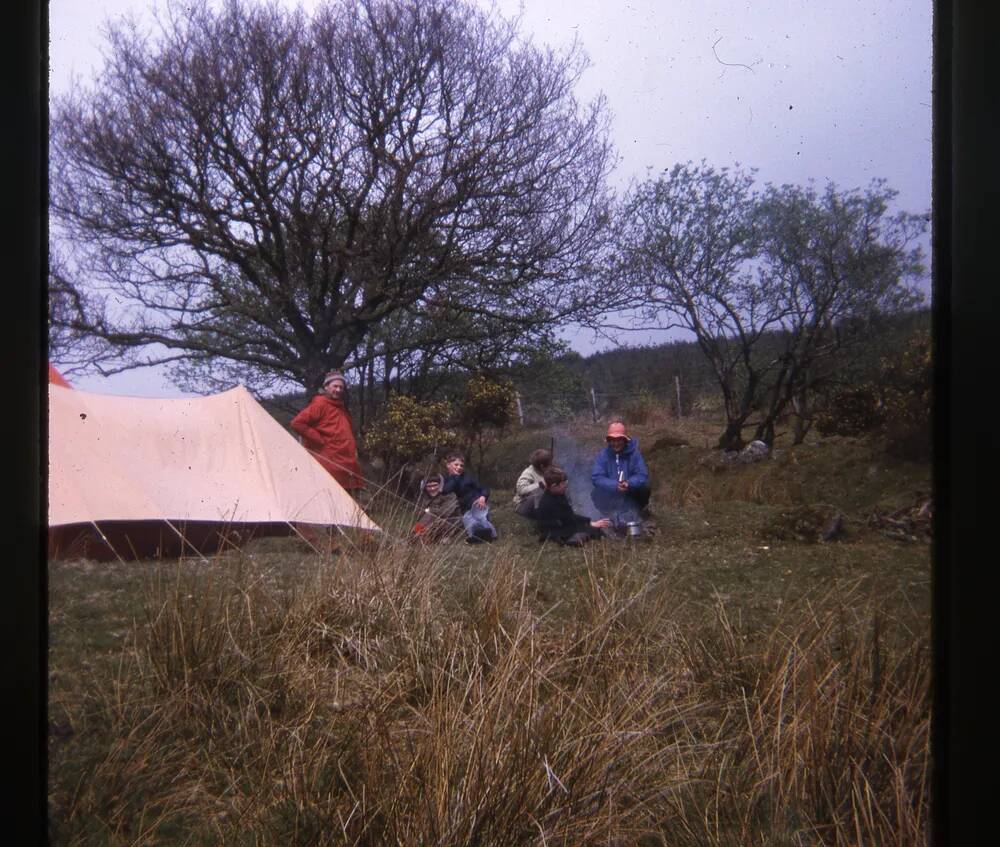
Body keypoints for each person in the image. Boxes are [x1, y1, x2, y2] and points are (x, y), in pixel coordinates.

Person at [290, 370, 365, 498]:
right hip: (330, 465)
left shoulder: (341, 408)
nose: (338, 389)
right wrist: (319, 440)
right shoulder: (319, 404)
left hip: (347, 465)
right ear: (326, 387)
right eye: (335, 386)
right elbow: (297, 423)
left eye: (341, 387)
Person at [590, 420, 652, 530]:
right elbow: (596, 477)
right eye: (612, 440)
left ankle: (637, 512)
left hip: (630, 493)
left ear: (625, 440)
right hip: (611, 494)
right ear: (608, 441)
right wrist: (614, 485)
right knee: (596, 493)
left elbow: (642, 475)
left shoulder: (634, 454)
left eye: (619, 440)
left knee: (645, 488)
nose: (616, 443)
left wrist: (628, 484)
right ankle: (610, 516)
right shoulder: (603, 455)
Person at [535, 466, 611, 546]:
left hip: (562, 526)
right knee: (595, 530)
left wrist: (588, 521)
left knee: (593, 528)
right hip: (555, 532)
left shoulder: (558, 494)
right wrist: (590, 524)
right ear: (554, 486)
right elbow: (569, 520)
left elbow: (569, 515)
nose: (566, 486)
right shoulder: (550, 502)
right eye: (563, 484)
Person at [441, 452, 498, 544]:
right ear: (448, 465)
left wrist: (483, 497)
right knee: (469, 518)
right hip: (465, 508)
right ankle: (482, 535)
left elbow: (484, 488)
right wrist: (455, 477)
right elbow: (446, 490)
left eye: (461, 466)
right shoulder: (446, 479)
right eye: (456, 464)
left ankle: (489, 534)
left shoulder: (468, 477)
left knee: (479, 517)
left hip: (478, 504)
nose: (459, 467)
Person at [410, 474, 463, 544]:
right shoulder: (424, 497)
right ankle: (416, 536)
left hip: (450, 524)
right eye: (429, 486)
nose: (432, 489)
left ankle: (416, 536)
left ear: (440, 485)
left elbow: (446, 513)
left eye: (435, 485)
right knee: (427, 517)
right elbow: (418, 513)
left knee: (430, 514)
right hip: (432, 524)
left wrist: (430, 510)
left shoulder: (450, 495)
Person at [512, 448, 553, 518]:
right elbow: (521, 490)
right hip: (523, 504)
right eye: (550, 464)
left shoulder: (545, 471)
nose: (552, 465)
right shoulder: (528, 473)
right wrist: (541, 484)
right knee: (539, 495)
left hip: (539, 504)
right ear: (542, 466)